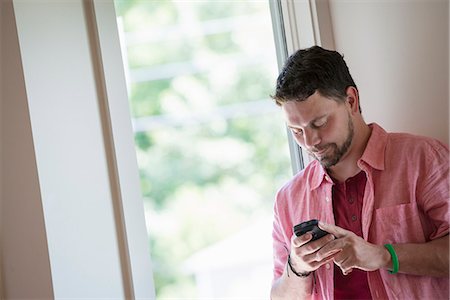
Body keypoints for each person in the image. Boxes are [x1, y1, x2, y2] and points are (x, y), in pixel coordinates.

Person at [270, 46, 449, 299]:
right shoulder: (288, 199)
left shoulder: (423, 159)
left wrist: (384, 256)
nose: (310, 142)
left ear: (351, 101)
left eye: (319, 123)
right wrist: (297, 268)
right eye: (296, 131)